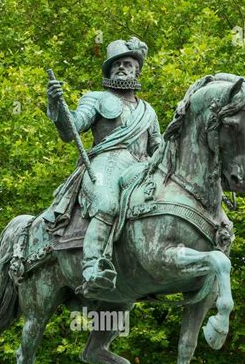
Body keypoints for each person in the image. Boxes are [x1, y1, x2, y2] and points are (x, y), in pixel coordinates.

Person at [44, 37, 162, 296]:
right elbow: (72, 128)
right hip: (104, 163)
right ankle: (92, 267)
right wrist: (56, 105)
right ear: (109, 70)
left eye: (128, 64)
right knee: (108, 204)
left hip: (139, 169)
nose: (122, 67)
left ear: (137, 70)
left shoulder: (148, 111)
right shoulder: (96, 98)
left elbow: (158, 149)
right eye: (116, 64)